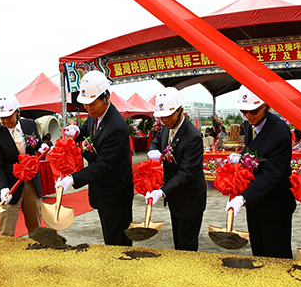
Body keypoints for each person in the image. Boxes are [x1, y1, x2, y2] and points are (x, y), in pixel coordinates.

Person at [57, 71, 134, 246]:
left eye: (92, 103)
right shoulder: (95, 116)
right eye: (86, 104)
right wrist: (77, 133)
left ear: (107, 97)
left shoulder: (116, 127)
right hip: (102, 191)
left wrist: (72, 178)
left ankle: (122, 272)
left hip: (115, 193)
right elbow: (87, 131)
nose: (89, 108)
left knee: (118, 242)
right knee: (109, 237)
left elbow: (102, 166)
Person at [227, 85, 296, 259]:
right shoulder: (250, 124)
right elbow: (254, 148)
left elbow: (272, 174)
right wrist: (242, 156)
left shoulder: (279, 132)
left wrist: (244, 198)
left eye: (254, 111)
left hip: (275, 204)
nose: (249, 116)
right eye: (245, 112)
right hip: (256, 202)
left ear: (267, 106)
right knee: (258, 251)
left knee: (276, 254)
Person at [146, 87, 207, 251]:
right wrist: (153, 150)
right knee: (178, 244)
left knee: (186, 247)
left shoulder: (192, 136)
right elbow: (157, 141)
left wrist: (162, 191)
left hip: (190, 200)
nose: (165, 119)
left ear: (181, 110)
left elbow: (187, 173)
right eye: (162, 116)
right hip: (175, 199)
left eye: (169, 115)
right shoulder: (167, 127)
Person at [0, 94, 45, 236]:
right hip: (10, 187)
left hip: (31, 183)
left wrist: (42, 146)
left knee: (36, 228)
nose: (5, 121)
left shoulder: (30, 125)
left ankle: (37, 252)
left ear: (18, 112)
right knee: (6, 231)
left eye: (9, 116)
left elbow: (37, 144)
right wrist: (3, 188)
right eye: (2, 118)